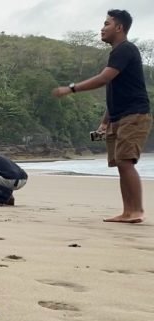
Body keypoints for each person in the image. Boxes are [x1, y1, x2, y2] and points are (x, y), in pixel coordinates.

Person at [52, 9, 151, 223]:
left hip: (134, 115)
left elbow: (104, 79)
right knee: (121, 163)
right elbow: (115, 91)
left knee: (126, 161)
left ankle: (136, 211)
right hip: (119, 116)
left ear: (119, 27)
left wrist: (71, 88)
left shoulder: (125, 49)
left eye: (106, 24)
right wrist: (106, 121)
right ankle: (128, 211)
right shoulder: (118, 52)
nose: (102, 28)